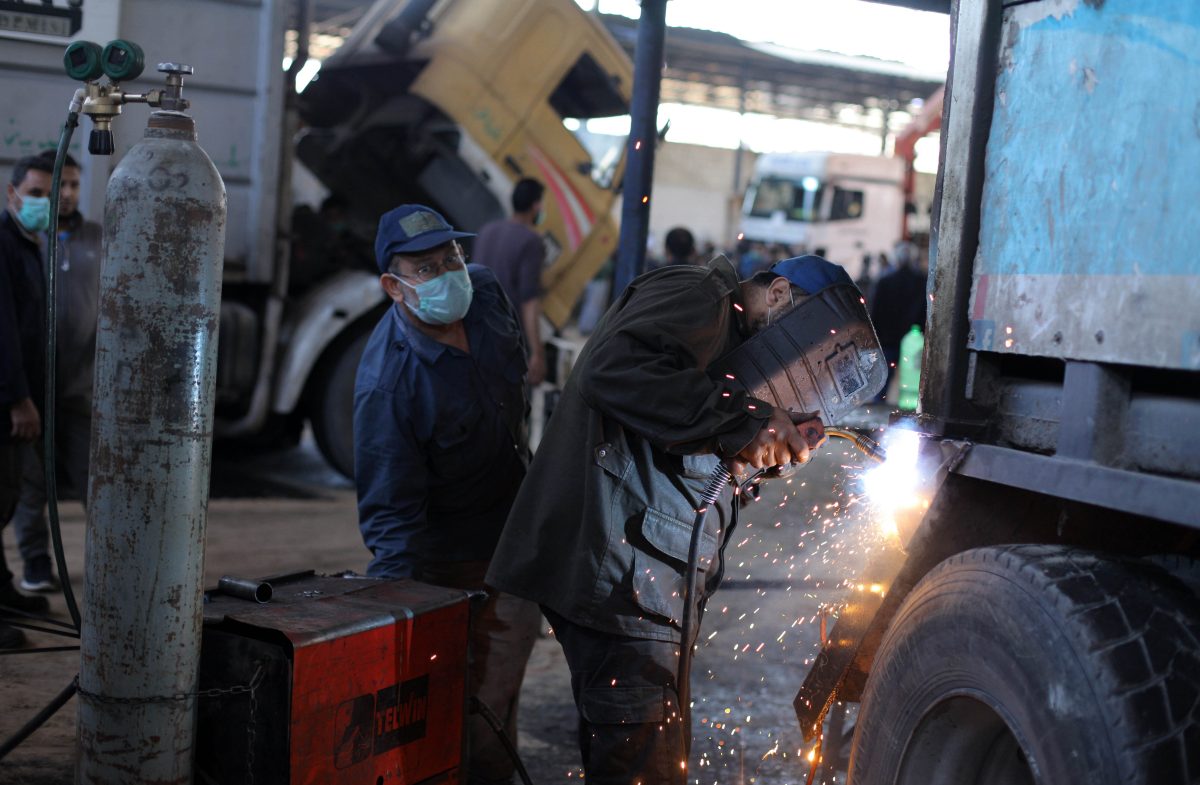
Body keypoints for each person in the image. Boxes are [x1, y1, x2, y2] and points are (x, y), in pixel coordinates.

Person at [487, 254, 841, 783]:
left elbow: (672, 430)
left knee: (647, 747)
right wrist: (743, 421)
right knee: (644, 762)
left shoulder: (728, 346)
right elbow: (615, 372)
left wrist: (750, 456)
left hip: (641, 576)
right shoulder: (701, 294)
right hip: (619, 572)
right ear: (780, 294)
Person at [355, 204, 540, 785]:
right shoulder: (389, 386)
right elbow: (392, 515)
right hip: (451, 561)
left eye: (452, 257)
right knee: (457, 710)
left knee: (492, 700)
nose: (448, 274)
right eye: (426, 268)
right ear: (394, 286)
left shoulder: (482, 290)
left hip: (518, 533)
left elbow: (518, 382)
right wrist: (402, 621)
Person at [11, 151, 102, 593]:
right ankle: (36, 565)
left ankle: (109, 565)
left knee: (97, 484)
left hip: (84, 391)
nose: (65, 195)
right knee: (31, 486)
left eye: (71, 186)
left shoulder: (101, 240)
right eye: (55, 188)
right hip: (34, 391)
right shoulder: (29, 241)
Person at [1, 155, 54, 647]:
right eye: (34, 194)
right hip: (5, 398)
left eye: (50, 194)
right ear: (13, 194)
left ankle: (1, 589)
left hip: (16, 396)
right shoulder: (2, 242)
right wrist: (18, 399)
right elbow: (2, 331)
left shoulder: (27, 242)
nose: (43, 203)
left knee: (8, 495)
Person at [473, 178, 548, 385]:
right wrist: (537, 352)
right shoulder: (531, 241)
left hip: (475, 333)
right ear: (535, 206)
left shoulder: (487, 231)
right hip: (506, 340)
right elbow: (529, 301)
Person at [869, 240, 927, 400]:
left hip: (888, 338)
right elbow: (925, 310)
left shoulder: (885, 281)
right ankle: (910, 406)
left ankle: (878, 405)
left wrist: (874, 336)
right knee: (912, 377)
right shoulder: (921, 282)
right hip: (913, 338)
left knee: (884, 377)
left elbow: (875, 311)